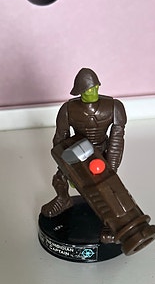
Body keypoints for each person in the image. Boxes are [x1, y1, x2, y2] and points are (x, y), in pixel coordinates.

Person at [41, 68, 127, 221]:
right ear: (80, 91)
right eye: (88, 90)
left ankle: (111, 217)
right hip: (76, 149)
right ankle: (63, 199)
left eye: (95, 88)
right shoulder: (68, 109)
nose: (92, 92)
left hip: (101, 150)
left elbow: (117, 139)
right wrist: (67, 167)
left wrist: (112, 167)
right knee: (59, 178)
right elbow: (60, 137)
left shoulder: (114, 107)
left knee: (108, 188)